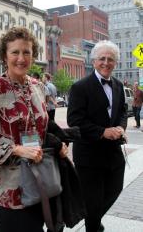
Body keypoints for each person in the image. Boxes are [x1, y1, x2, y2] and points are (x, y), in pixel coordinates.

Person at [0, 27, 68, 232]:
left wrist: (59, 145)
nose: (21, 58)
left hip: (41, 184)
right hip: (10, 191)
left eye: (27, 52)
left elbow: (42, 129)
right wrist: (16, 149)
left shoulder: (37, 87)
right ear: (4, 56)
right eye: (15, 52)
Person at [67, 40, 128, 232]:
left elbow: (123, 111)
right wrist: (102, 132)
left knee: (115, 189)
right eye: (102, 58)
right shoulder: (80, 87)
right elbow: (74, 120)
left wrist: (121, 127)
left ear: (115, 63)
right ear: (93, 61)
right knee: (92, 201)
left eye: (111, 59)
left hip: (114, 154)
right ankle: (94, 225)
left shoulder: (118, 85)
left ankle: (93, 220)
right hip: (89, 156)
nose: (106, 62)